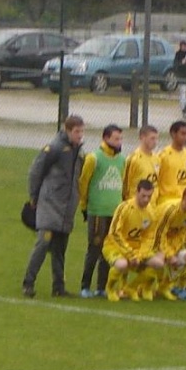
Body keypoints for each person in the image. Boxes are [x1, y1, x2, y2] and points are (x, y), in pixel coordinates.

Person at [22, 114, 85, 298]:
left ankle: (58, 287)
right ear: (67, 130)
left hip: (67, 207)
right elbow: (36, 171)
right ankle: (28, 282)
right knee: (43, 243)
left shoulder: (78, 151)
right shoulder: (55, 148)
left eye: (82, 131)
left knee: (60, 249)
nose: (80, 135)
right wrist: (34, 197)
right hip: (50, 204)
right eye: (76, 131)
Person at [77, 124, 124, 299]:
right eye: (116, 139)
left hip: (115, 212)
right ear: (105, 138)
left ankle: (102, 287)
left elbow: (123, 184)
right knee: (94, 249)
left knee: (109, 251)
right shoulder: (94, 158)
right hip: (97, 211)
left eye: (121, 139)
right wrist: (84, 206)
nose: (119, 142)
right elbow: (84, 182)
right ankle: (85, 286)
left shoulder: (122, 160)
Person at [102, 179, 164, 302]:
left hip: (137, 251)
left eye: (149, 196)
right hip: (114, 246)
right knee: (122, 264)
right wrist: (131, 255)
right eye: (143, 196)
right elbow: (114, 233)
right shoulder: (124, 208)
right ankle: (109, 289)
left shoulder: (151, 212)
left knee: (159, 263)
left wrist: (139, 255)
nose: (146, 199)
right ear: (136, 192)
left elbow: (149, 237)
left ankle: (130, 288)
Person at [151, 184, 186, 301]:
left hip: (168, 241)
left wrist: (174, 250)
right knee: (160, 260)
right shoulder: (170, 210)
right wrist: (169, 254)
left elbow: (182, 234)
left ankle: (164, 287)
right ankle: (142, 286)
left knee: (185, 256)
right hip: (152, 240)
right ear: (185, 199)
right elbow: (159, 235)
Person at [157, 121, 186, 204]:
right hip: (167, 200)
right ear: (173, 134)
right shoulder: (163, 156)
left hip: (183, 199)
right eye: (182, 134)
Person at [123, 125, 160, 202]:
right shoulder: (133, 159)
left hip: (152, 205)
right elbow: (125, 184)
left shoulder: (157, 158)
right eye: (152, 138)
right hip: (136, 204)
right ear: (142, 137)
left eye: (156, 139)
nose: (155, 142)